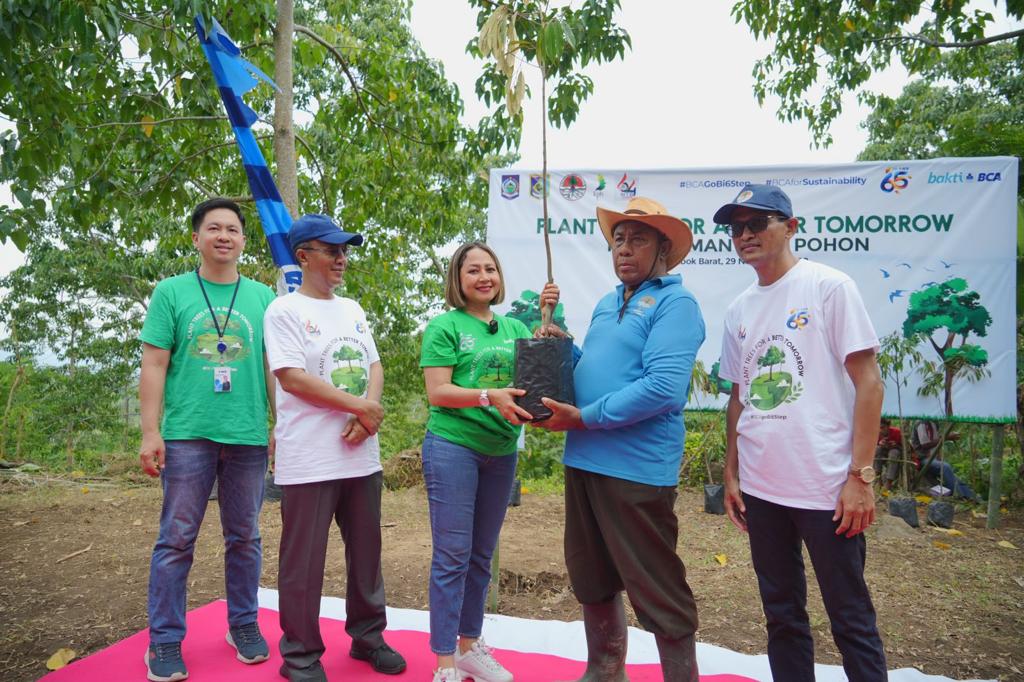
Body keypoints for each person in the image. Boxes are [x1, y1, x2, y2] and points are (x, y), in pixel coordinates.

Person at [715, 184, 888, 681]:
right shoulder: (739, 309)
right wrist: (732, 474)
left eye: (757, 223)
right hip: (763, 490)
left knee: (850, 618)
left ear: (790, 227)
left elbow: (869, 384)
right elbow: (739, 397)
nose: (745, 235)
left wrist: (860, 476)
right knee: (782, 617)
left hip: (827, 488)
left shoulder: (828, 287)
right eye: (736, 228)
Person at [536, 196, 705, 682]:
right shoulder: (608, 303)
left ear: (663, 249)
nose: (625, 249)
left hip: (636, 469)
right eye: (619, 239)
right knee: (591, 576)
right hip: (585, 461)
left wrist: (584, 418)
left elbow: (663, 388)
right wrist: (562, 347)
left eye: (639, 239)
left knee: (656, 585)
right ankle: (605, 671)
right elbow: (595, 368)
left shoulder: (677, 303)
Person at [264, 214, 406, 682]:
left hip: (360, 454)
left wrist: (369, 412)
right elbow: (293, 379)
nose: (342, 259)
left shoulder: (353, 308)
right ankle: (301, 656)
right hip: (308, 457)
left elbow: (374, 364)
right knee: (303, 561)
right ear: (303, 256)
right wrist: (360, 408)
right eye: (332, 250)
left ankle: (369, 638)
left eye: (345, 251)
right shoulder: (282, 311)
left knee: (367, 552)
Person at [139, 198, 276, 681]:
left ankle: (242, 624)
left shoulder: (262, 298)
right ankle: (164, 641)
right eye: (213, 228)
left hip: (246, 436)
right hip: (186, 436)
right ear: (196, 237)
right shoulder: (172, 293)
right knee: (176, 540)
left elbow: (273, 370)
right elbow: (154, 364)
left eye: (233, 229)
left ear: (243, 241)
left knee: (246, 537)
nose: (224, 236)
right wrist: (150, 431)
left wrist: (280, 426)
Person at [419, 241, 537, 682]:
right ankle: (444, 661)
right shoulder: (444, 327)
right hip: (453, 448)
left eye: (491, 268)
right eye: (473, 270)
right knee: (452, 555)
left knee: (482, 555)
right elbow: (438, 392)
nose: (484, 276)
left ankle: (471, 645)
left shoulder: (512, 328)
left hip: (501, 453)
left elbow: (531, 381)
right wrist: (489, 396)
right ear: (458, 279)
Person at [910, 420, 979, 501]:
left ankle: (971, 497)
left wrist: (938, 456)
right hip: (922, 458)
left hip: (932, 458)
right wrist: (946, 437)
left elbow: (937, 442)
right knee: (945, 467)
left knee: (954, 478)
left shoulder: (933, 423)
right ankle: (959, 495)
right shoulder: (921, 423)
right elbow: (925, 444)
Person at [875, 418, 903, 490]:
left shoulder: (897, 432)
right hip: (882, 453)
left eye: (882, 427)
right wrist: (879, 443)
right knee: (877, 449)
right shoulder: (876, 433)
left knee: (894, 452)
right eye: (879, 427)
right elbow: (870, 447)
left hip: (895, 454)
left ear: (888, 426)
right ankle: (878, 479)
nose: (880, 430)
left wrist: (896, 445)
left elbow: (906, 448)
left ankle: (889, 482)